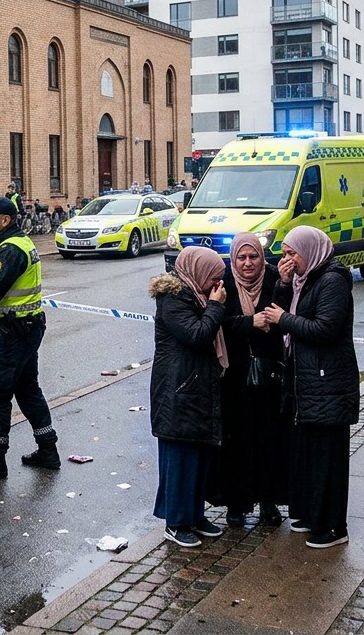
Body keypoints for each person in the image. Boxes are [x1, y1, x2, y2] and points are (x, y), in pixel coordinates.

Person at [261, 226, 360, 549]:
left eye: (292, 254)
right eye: (285, 254)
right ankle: (311, 514)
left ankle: (333, 525)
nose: (287, 260)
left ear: (311, 251)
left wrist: (284, 320)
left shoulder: (332, 280)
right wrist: (284, 284)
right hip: (307, 380)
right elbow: (278, 316)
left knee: (328, 457)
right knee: (308, 453)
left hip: (327, 380)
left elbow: (325, 328)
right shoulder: (304, 280)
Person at [147, 246, 228, 548]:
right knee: (180, 459)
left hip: (194, 387)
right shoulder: (174, 299)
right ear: (198, 274)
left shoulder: (197, 296)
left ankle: (194, 515)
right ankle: (176, 521)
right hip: (177, 390)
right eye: (214, 279)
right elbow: (197, 336)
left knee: (198, 457)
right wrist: (216, 307)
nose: (218, 286)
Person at [208, 231, 289, 528]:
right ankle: (237, 504)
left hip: (269, 373)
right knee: (236, 442)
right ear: (233, 259)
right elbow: (216, 322)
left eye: (253, 256)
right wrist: (249, 323)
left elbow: (285, 314)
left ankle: (268, 501)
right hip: (234, 376)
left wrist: (275, 313)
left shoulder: (273, 278)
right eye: (241, 257)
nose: (247, 263)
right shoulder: (223, 283)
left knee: (269, 438)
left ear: (261, 256)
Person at [0, 196, 58, 479]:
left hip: (16, 332)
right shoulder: (16, 243)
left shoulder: (10, 250)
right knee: (27, 389)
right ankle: (48, 449)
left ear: (6, 220)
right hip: (26, 328)